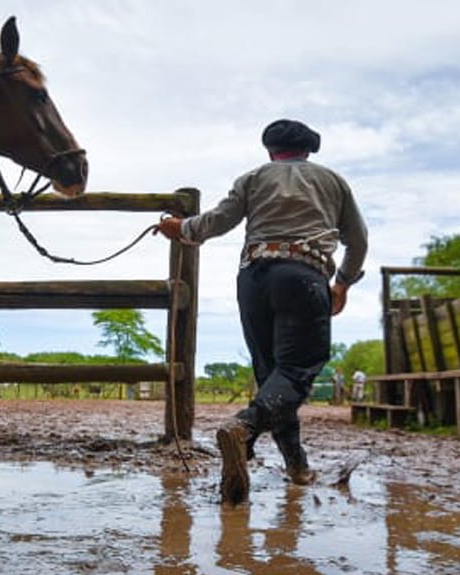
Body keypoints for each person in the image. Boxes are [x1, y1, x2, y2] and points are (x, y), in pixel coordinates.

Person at [157, 119, 367, 503]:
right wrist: (343, 283)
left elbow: (217, 221)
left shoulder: (253, 178)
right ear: (308, 150)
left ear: (270, 151)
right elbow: (359, 239)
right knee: (298, 368)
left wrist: (181, 228)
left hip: (253, 277)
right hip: (303, 275)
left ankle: (297, 466)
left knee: (273, 375)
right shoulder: (333, 182)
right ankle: (244, 429)